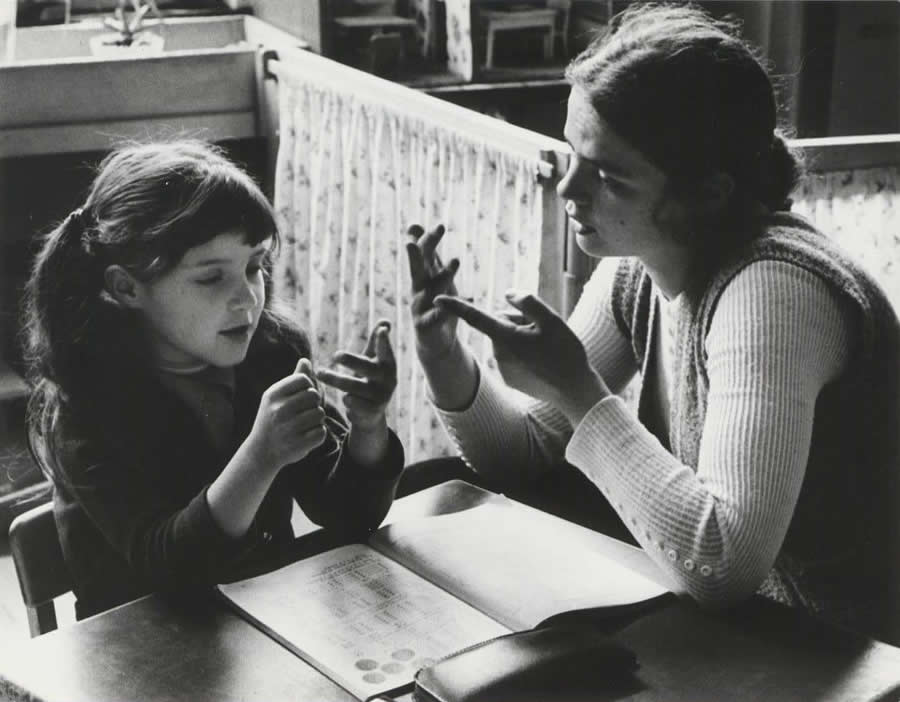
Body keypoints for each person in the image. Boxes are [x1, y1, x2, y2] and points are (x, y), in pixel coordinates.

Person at [406, 4, 900, 643]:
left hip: (854, 650)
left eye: (609, 176)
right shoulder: (641, 268)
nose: (569, 189)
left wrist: (580, 393)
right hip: (753, 634)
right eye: (571, 151)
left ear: (708, 194)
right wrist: (443, 355)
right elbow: (521, 457)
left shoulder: (774, 292)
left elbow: (723, 563)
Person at [22, 140, 405, 620]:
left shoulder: (271, 355)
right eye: (210, 278)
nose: (246, 299)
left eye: (254, 267)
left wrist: (368, 429)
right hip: (141, 656)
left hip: (266, 627)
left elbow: (348, 514)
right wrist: (261, 456)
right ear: (126, 288)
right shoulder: (86, 408)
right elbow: (170, 569)